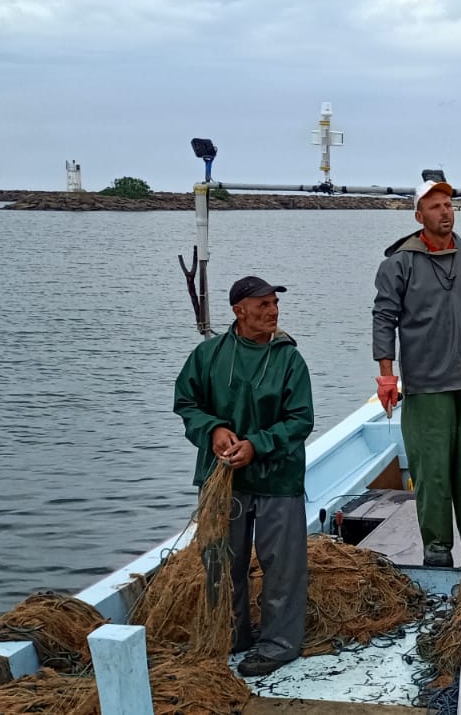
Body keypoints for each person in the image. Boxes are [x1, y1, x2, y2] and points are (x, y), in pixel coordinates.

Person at [173, 275, 315, 677]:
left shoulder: (289, 359)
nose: (273, 312)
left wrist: (257, 445)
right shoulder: (208, 355)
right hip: (223, 481)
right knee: (220, 561)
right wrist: (214, 430)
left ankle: (279, 644)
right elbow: (186, 403)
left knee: (283, 566)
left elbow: (300, 420)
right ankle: (231, 633)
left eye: (275, 304)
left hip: (278, 479)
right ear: (239, 311)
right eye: (263, 305)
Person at [371, 179, 461, 568]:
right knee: (432, 474)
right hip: (427, 386)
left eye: (448, 204)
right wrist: (387, 374)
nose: (444, 211)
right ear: (419, 215)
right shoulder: (398, 264)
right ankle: (437, 549)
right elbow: (384, 318)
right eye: (434, 206)